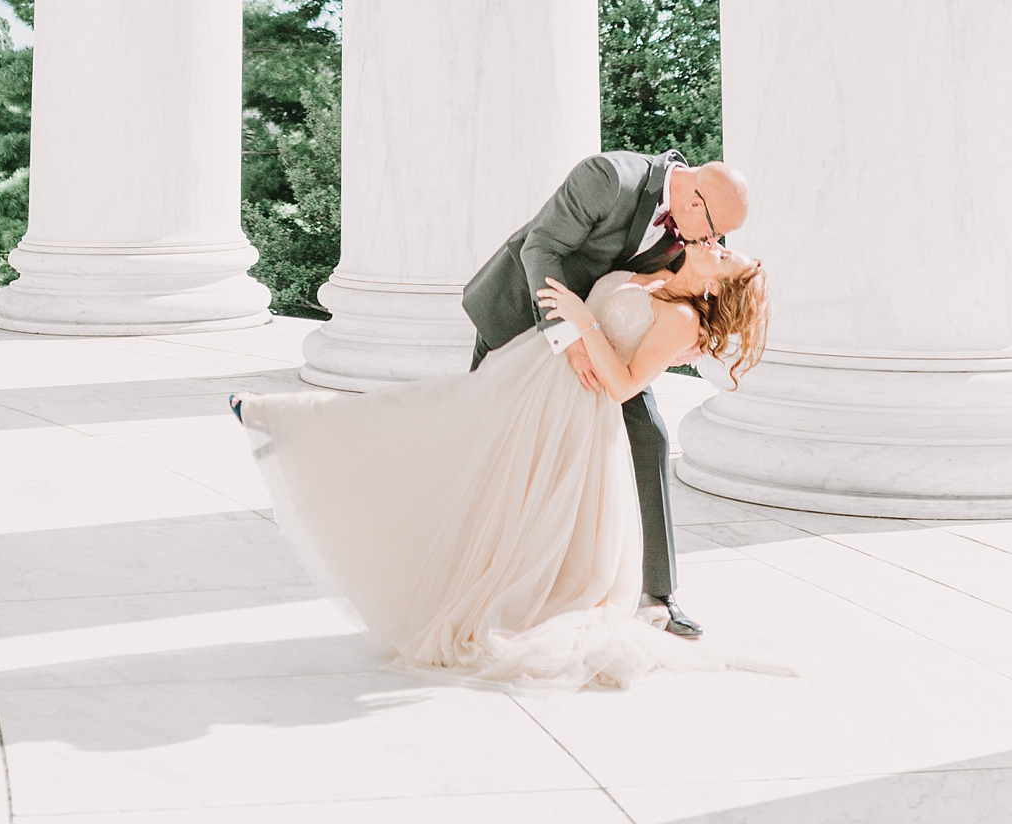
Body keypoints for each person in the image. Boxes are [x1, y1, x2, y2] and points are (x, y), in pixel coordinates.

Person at [230, 226, 769, 690]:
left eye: (724, 256)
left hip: (570, 409)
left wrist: (584, 322)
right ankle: (285, 420)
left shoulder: (681, 319)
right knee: (433, 422)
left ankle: (278, 416)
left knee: (456, 447)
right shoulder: (655, 270)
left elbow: (625, 386)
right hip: (529, 376)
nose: (716, 244)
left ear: (718, 285)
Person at [463, 148, 750, 639]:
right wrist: (566, 336)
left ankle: (658, 593)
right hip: (529, 312)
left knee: (650, 437)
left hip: (604, 334)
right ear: (696, 200)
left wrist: (691, 334)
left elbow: (682, 285)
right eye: (710, 232)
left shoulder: (689, 227)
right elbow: (541, 247)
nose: (709, 242)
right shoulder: (609, 178)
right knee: (489, 436)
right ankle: (472, 565)